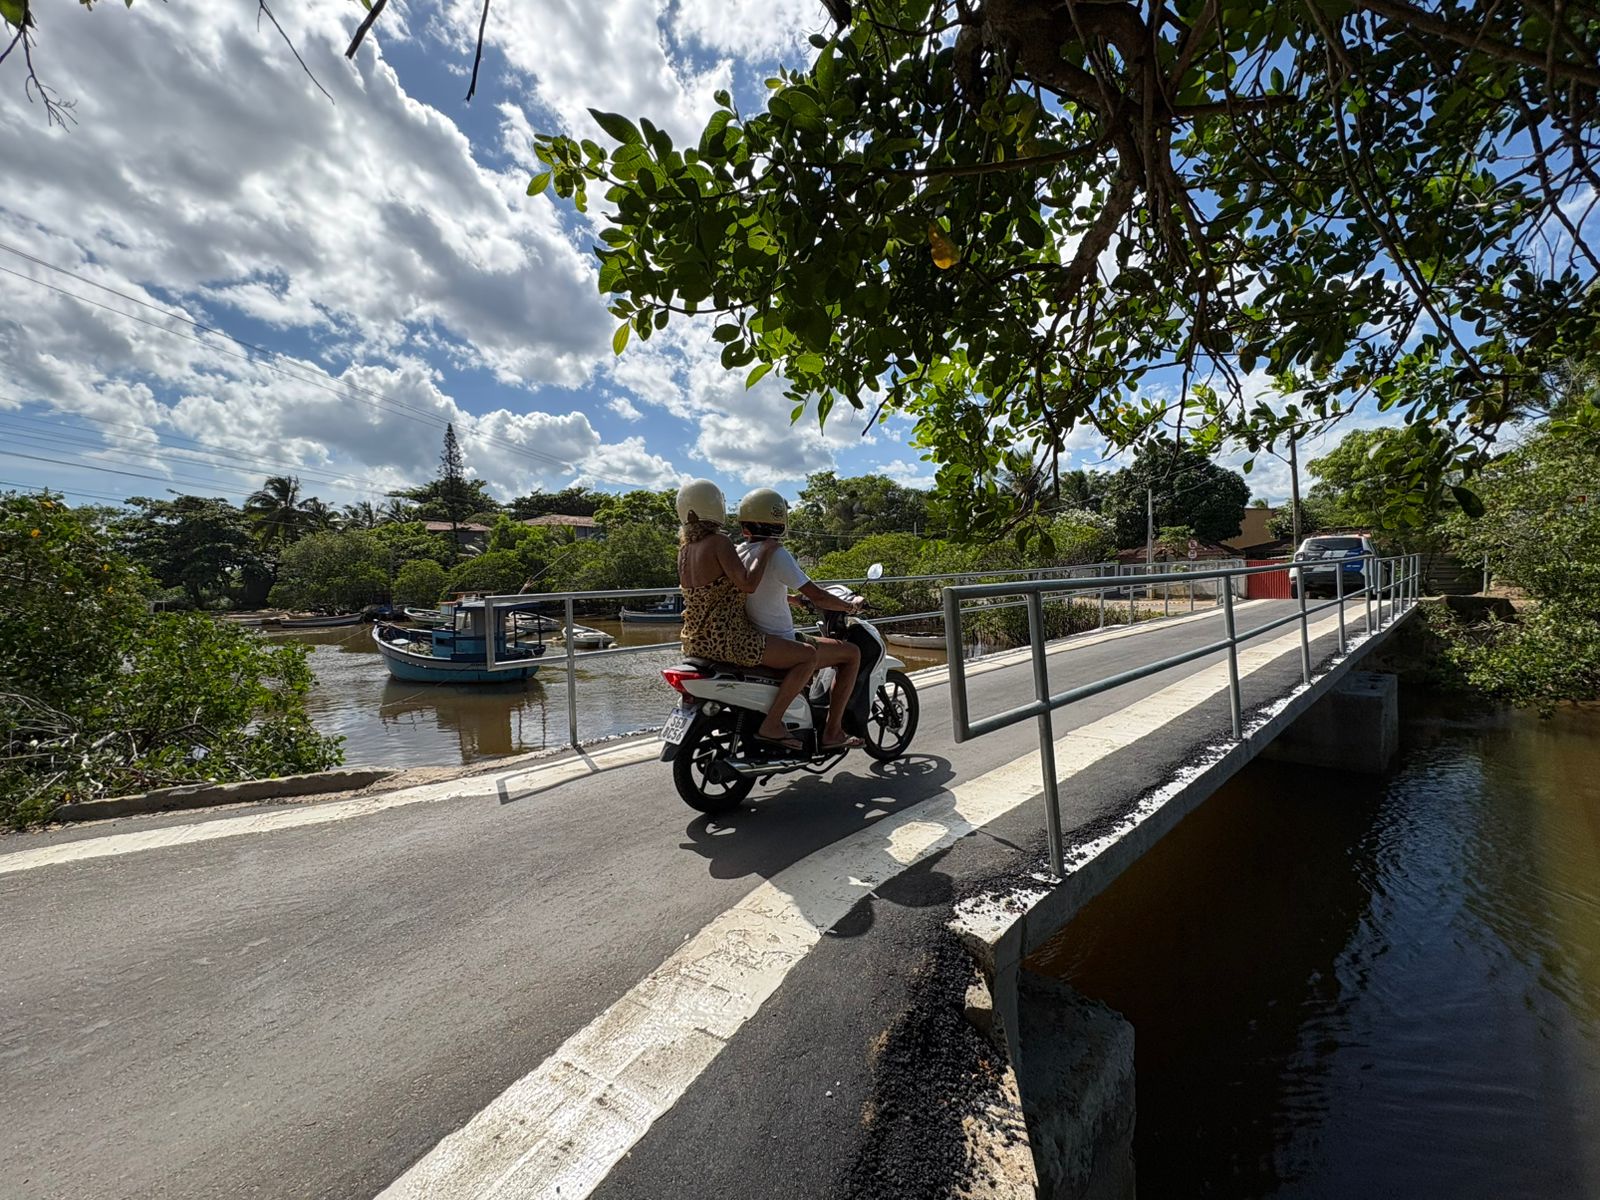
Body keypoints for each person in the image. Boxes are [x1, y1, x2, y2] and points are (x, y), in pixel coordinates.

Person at [674, 478, 817, 751]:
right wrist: (767, 550)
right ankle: (772, 724)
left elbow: (716, 594)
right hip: (729, 639)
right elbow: (748, 584)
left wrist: (789, 599)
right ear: (717, 507)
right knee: (808, 656)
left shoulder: (685, 551)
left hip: (695, 641)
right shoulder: (719, 542)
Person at [734, 488, 863, 752]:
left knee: (818, 648)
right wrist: (849, 607)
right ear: (780, 521)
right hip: (780, 640)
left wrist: (793, 600)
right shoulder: (776, 553)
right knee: (851, 654)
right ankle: (832, 732)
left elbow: (762, 591)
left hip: (756, 636)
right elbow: (818, 596)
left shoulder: (739, 552)